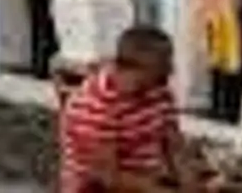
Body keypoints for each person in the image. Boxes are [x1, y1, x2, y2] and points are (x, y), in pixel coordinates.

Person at [58, 22, 203, 193]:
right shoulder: (96, 104)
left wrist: (189, 183)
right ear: (134, 67)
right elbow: (108, 177)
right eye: (163, 68)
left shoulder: (158, 90)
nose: (171, 71)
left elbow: (174, 146)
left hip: (145, 179)